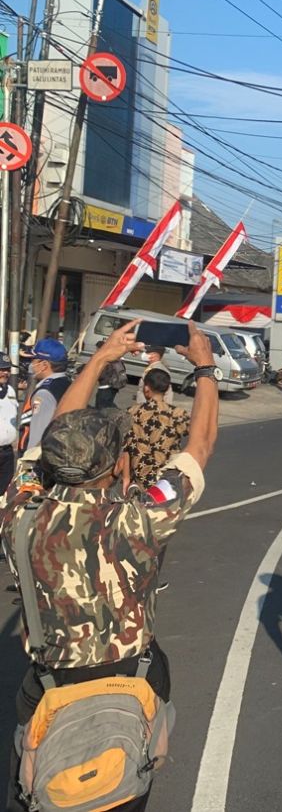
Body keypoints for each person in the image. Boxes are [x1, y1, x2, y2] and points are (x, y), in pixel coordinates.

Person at [0, 318, 218, 812]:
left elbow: (50, 442)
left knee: (42, 787)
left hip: (48, 687)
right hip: (129, 683)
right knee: (120, 786)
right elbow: (200, 446)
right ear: (117, 464)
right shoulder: (138, 518)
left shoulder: (19, 510)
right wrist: (205, 369)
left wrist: (99, 359)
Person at [125, 367, 191, 490]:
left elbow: (126, 449)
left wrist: (125, 478)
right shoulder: (178, 414)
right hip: (167, 478)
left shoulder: (132, 412)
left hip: (140, 478)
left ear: (146, 388)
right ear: (167, 389)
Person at [17, 339, 70, 453]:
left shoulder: (44, 393)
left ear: (44, 365)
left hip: (40, 455)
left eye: (33, 360)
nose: (31, 365)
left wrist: (29, 459)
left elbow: (39, 430)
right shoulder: (67, 383)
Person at [0, 358, 17, 492]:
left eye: (7, 369)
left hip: (7, 451)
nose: (5, 373)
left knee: (5, 492)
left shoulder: (10, 390)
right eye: (1, 369)